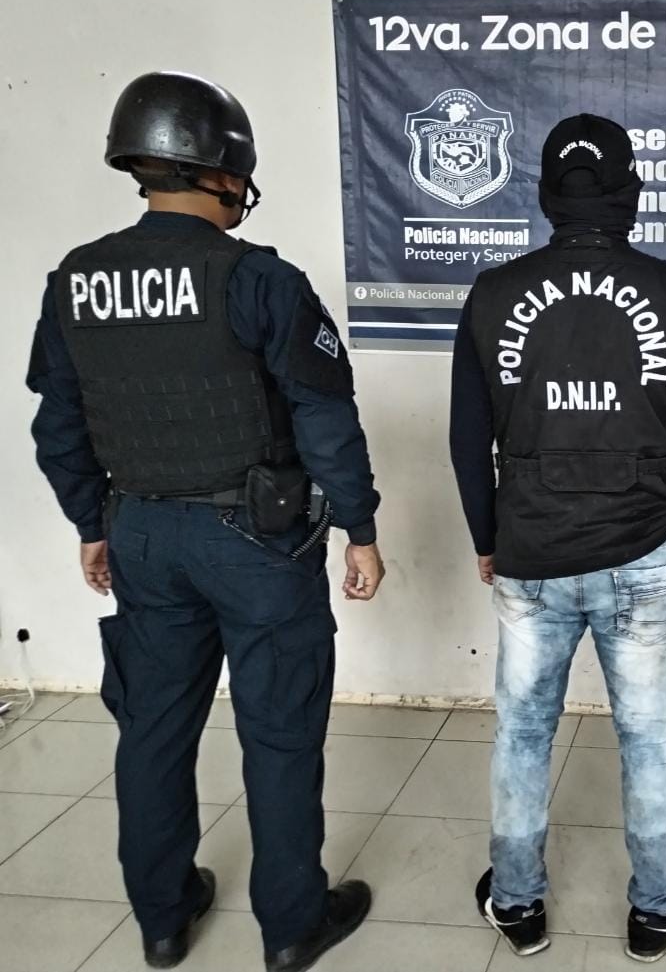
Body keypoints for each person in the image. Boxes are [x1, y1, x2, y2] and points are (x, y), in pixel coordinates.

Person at [27, 71, 386, 972]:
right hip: (257, 542)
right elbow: (325, 420)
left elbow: (58, 429)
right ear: (225, 170)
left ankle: (162, 918)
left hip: (143, 536)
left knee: (152, 729)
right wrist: (361, 528)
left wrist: (92, 525)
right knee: (278, 732)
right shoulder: (258, 278)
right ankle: (292, 925)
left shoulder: (76, 281)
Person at [450, 113, 666, 963]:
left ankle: (517, 903)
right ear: (630, 194)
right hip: (643, 554)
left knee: (523, 732)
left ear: (547, 197)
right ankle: (657, 909)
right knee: (650, 737)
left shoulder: (492, 295)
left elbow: (466, 440)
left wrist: (487, 536)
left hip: (530, 552)